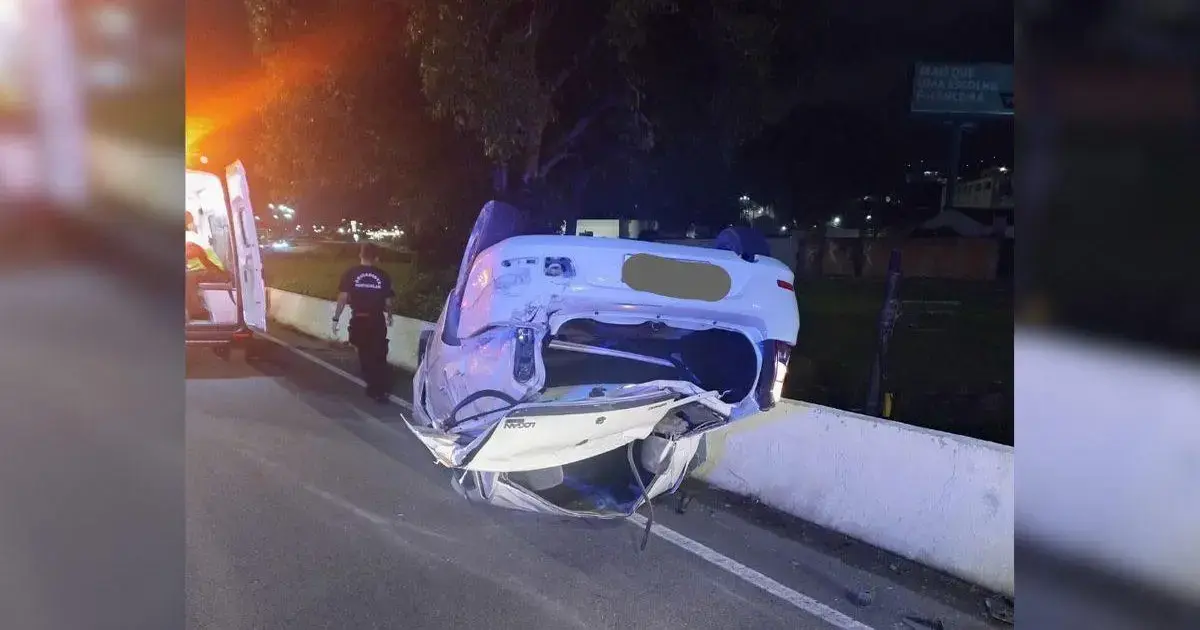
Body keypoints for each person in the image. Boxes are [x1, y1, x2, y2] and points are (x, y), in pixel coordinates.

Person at [332, 243, 395, 402]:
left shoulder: (350, 273)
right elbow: (388, 301)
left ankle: (375, 387)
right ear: (376, 257)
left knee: (365, 352)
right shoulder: (383, 275)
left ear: (360, 255)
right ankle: (380, 388)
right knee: (379, 353)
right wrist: (390, 316)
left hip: (359, 318)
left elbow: (343, 298)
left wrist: (336, 318)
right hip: (377, 319)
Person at [185, 210, 228, 321]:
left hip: (214, 271)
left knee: (187, 277)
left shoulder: (190, 237)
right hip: (203, 269)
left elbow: (192, 256)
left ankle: (197, 313)